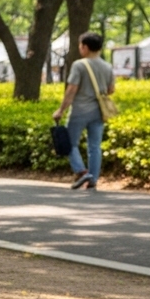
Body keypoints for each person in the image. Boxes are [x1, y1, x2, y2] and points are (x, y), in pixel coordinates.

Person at [53, 32, 115, 190]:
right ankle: (93, 178)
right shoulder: (107, 67)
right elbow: (111, 90)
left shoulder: (79, 65)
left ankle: (82, 172)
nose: (80, 48)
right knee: (95, 146)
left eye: (80, 46)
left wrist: (61, 110)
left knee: (70, 144)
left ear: (85, 47)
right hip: (99, 112)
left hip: (79, 111)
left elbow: (71, 89)